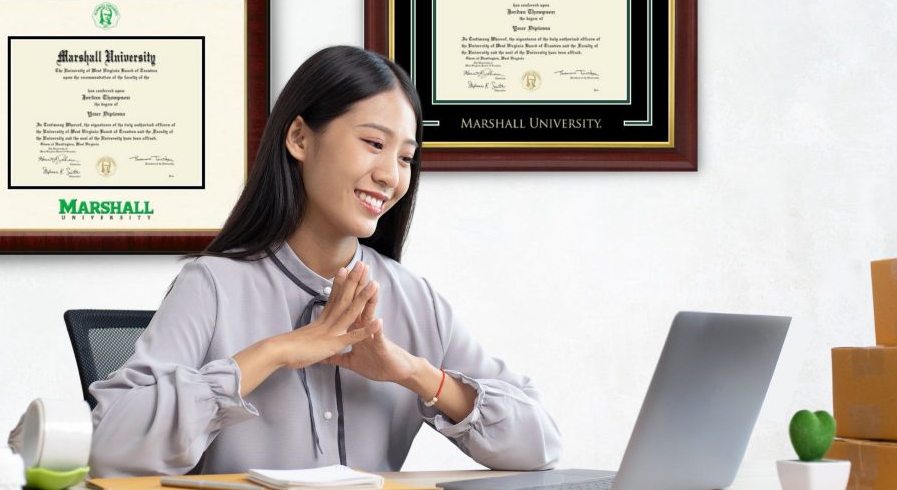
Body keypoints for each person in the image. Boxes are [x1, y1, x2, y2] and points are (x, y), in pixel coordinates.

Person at [88, 45, 562, 477]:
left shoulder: (414, 300)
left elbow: (539, 445)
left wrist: (413, 372)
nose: (390, 176)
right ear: (298, 137)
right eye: (374, 144)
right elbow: (110, 447)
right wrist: (275, 352)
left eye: (405, 158)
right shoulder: (213, 284)